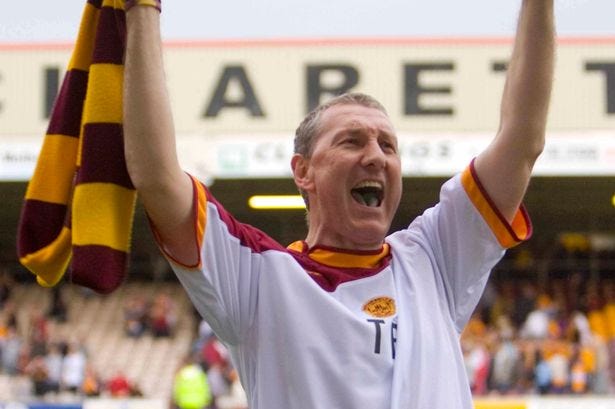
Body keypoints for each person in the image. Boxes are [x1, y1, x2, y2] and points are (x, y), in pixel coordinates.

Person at [123, 1, 555, 408]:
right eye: (352, 140)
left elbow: (522, 141)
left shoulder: (434, 258)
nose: (376, 156)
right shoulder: (258, 277)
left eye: (388, 144)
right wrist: (142, 11)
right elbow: (157, 177)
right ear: (303, 171)